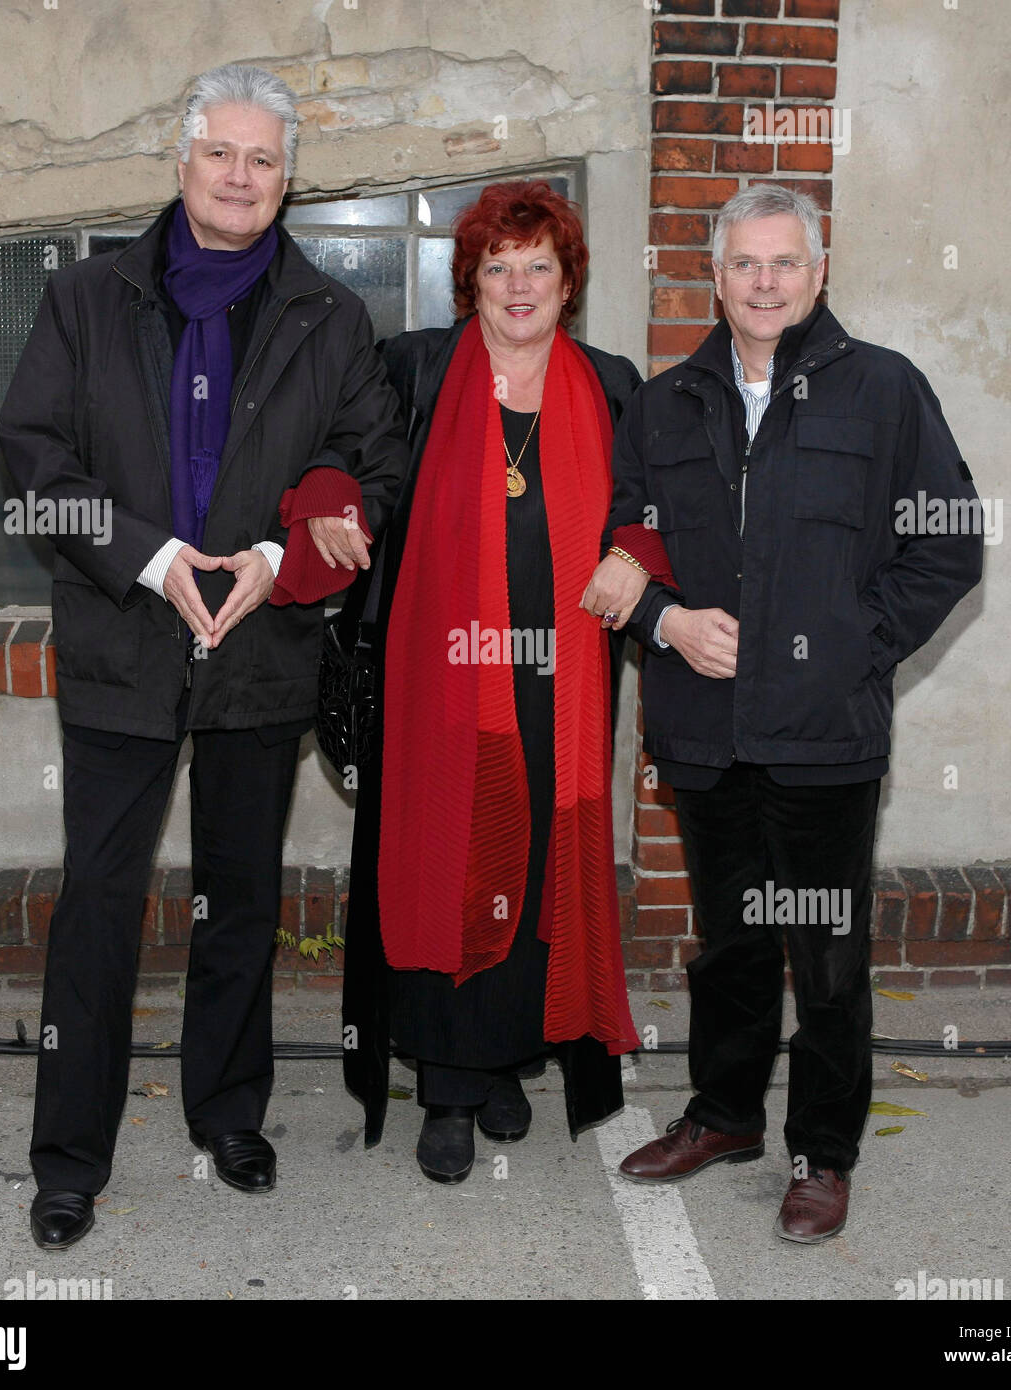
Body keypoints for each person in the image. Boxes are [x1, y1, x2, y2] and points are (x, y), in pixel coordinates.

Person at [0, 63, 406, 1249]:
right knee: (98, 909)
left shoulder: (331, 317)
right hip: (124, 639)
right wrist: (148, 556)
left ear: (289, 179)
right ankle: (69, 1155)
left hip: (260, 650)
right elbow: (30, 466)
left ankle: (230, 1113)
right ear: (181, 162)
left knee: (238, 902)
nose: (240, 176)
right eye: (222, 153)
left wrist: (283, 558)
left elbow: (374, 476)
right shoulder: (83, 300)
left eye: (264, 160)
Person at [609, 185, 983, 1241]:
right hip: (705, 727)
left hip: (825, 738)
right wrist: (667, 620)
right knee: (728, 943)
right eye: (744, 264)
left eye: (785, 263)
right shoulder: (667, 400)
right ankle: (725, 1114)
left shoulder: (884, 391)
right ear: (713, 277)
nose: (764, 282)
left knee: (823, 956)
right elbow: (622, 538)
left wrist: (855, 649)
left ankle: (823, 1150)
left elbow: (948, 539)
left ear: (819, 273)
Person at [340, 180, 663, 1183]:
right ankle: (445, 1080)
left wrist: (638, 549)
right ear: (468, 280)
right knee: (448, 857)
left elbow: (664, 493)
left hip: (558, 681)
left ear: (569, 283)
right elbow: (345, 456)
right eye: (497, 265)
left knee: (534, 869)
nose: (518, 285)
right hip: (442, 681)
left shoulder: (613, 387)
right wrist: (326, 502)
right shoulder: (416, 373)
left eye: (539, 266)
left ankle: (505, 1061)